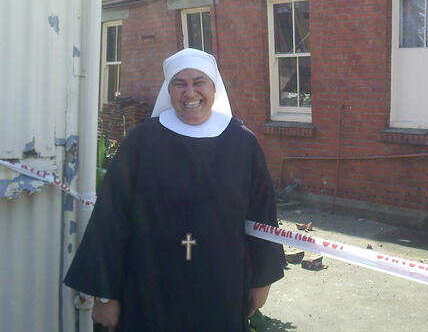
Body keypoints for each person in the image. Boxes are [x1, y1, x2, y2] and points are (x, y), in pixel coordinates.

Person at [65, 48, 285, 331]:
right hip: (148, 287)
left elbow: (262, 215)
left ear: (214, 87)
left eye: (199, 82)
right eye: (179, 83)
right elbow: (111, 217)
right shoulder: (141, 142)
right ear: (168, 91)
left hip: (220, 288)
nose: (190, 92)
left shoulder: (242, 144)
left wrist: (262, 280)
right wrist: (105, 294)